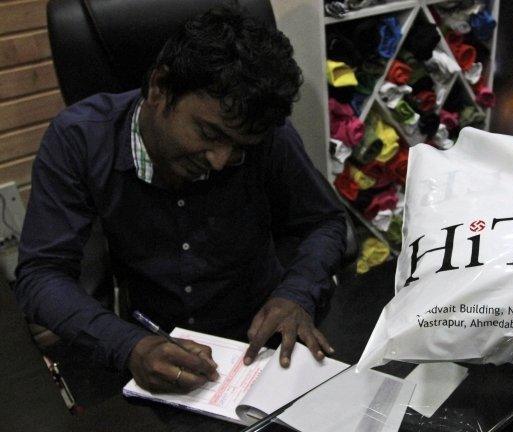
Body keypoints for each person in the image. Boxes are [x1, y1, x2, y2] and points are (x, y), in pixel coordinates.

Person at [14, 5, 347, 394]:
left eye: (239, 148)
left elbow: (324, 221)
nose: (220, 161)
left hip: (262, 342)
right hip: (151, 341)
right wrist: (127, 345)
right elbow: (40, 274)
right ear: (159, 88)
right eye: (209, 133)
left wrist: (296, 293)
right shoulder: (79, 139)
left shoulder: (267, 136)